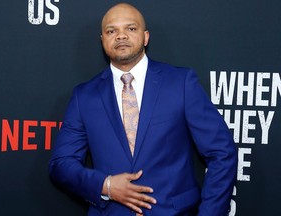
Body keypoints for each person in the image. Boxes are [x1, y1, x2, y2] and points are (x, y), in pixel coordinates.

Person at [49, 3, 237, 216]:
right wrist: (106, 186)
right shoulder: (84, 96)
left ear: (146, 37)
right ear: (102, 40)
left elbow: (222, 152)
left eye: (130, 28)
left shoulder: (181, 83)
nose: (121, 36)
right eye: (112, 31)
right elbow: (61, 164)